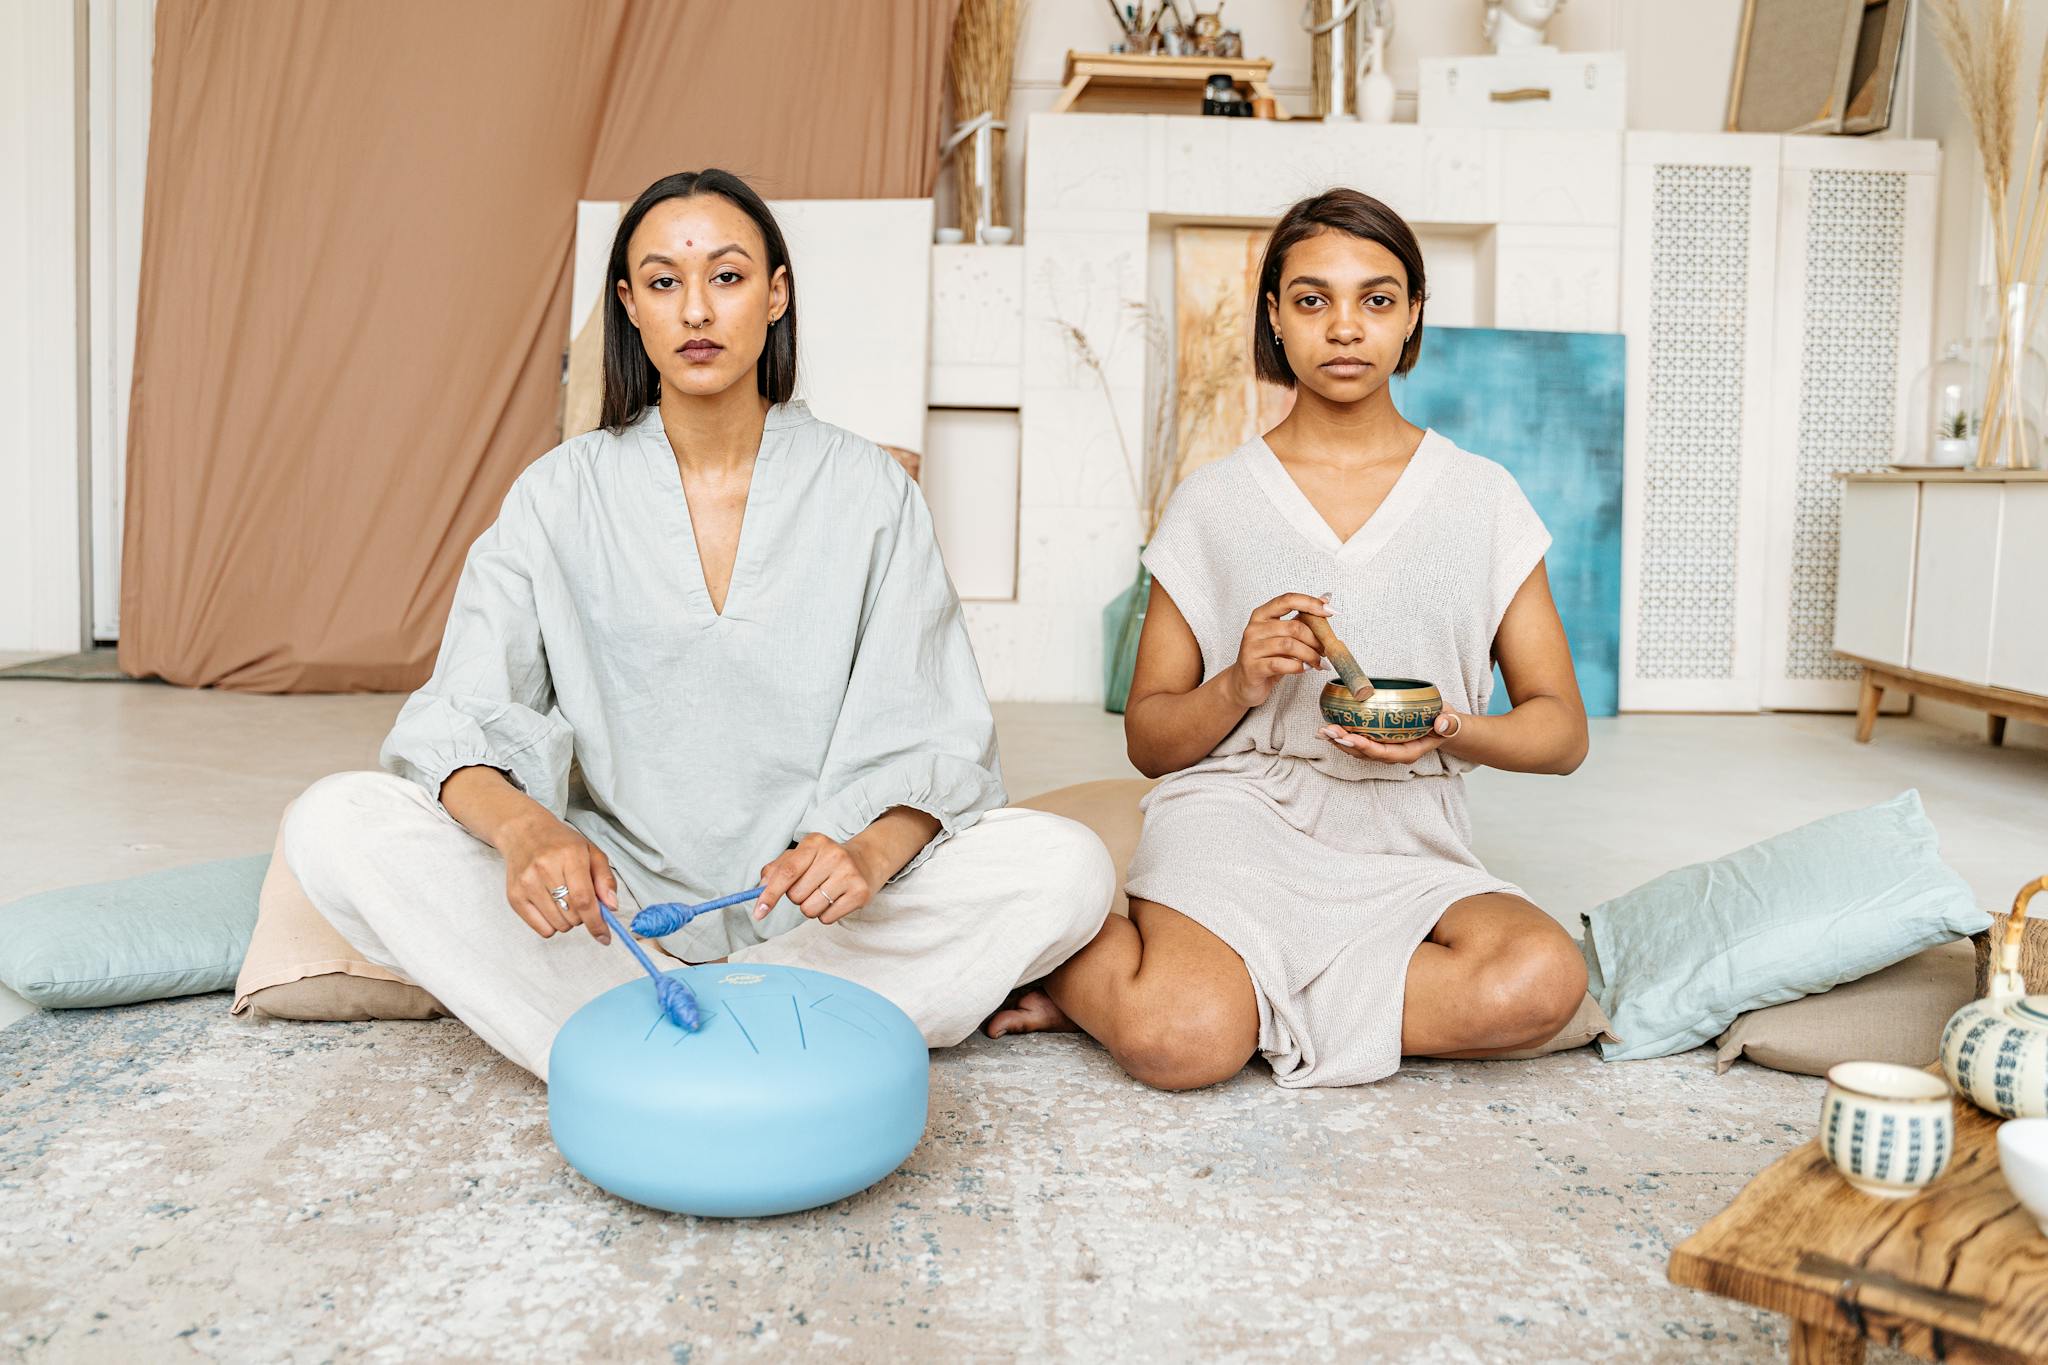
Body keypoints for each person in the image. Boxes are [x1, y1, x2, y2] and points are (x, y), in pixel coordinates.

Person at [282, 169, 1112, 1080]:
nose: (696, 311)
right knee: (335, 822)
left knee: (1065, 867)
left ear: (776, 294)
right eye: (665, 282)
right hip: (618, 922)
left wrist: (868, 854)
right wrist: (526, 830)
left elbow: (934, 733)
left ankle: (670, 1033)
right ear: (630, 306)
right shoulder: (559, 495)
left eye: (726, 276)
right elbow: (458, 716)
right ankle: (785, 1033)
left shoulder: (871, 491)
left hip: (820, 921)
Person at [988, 188, 1590, 1090]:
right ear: (1274, 316)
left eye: (1376, 299)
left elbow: (1561, 733)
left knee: (1541, 979)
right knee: (1181, 1042)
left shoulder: (1483, 499)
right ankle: (1103, 964)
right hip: (1240, 817)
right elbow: (1151, 740)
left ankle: (1237, 996)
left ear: (1414, 314)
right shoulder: (1214, 503)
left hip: (1408, 836)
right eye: (1312, 300)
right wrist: (1239, 681)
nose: (1345, 327)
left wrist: (1448, 729)